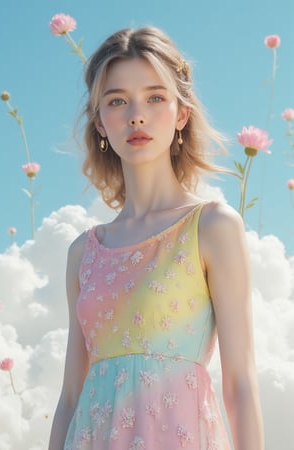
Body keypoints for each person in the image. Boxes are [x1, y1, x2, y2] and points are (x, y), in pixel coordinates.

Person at [48, 26, 264, 450]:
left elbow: (240, 383)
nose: (136, 115)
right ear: (100, 123)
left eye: (154, 97)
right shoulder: (83, 252)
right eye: (117, 101)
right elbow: (71, 395)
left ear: (181, 113)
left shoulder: (213, 227)